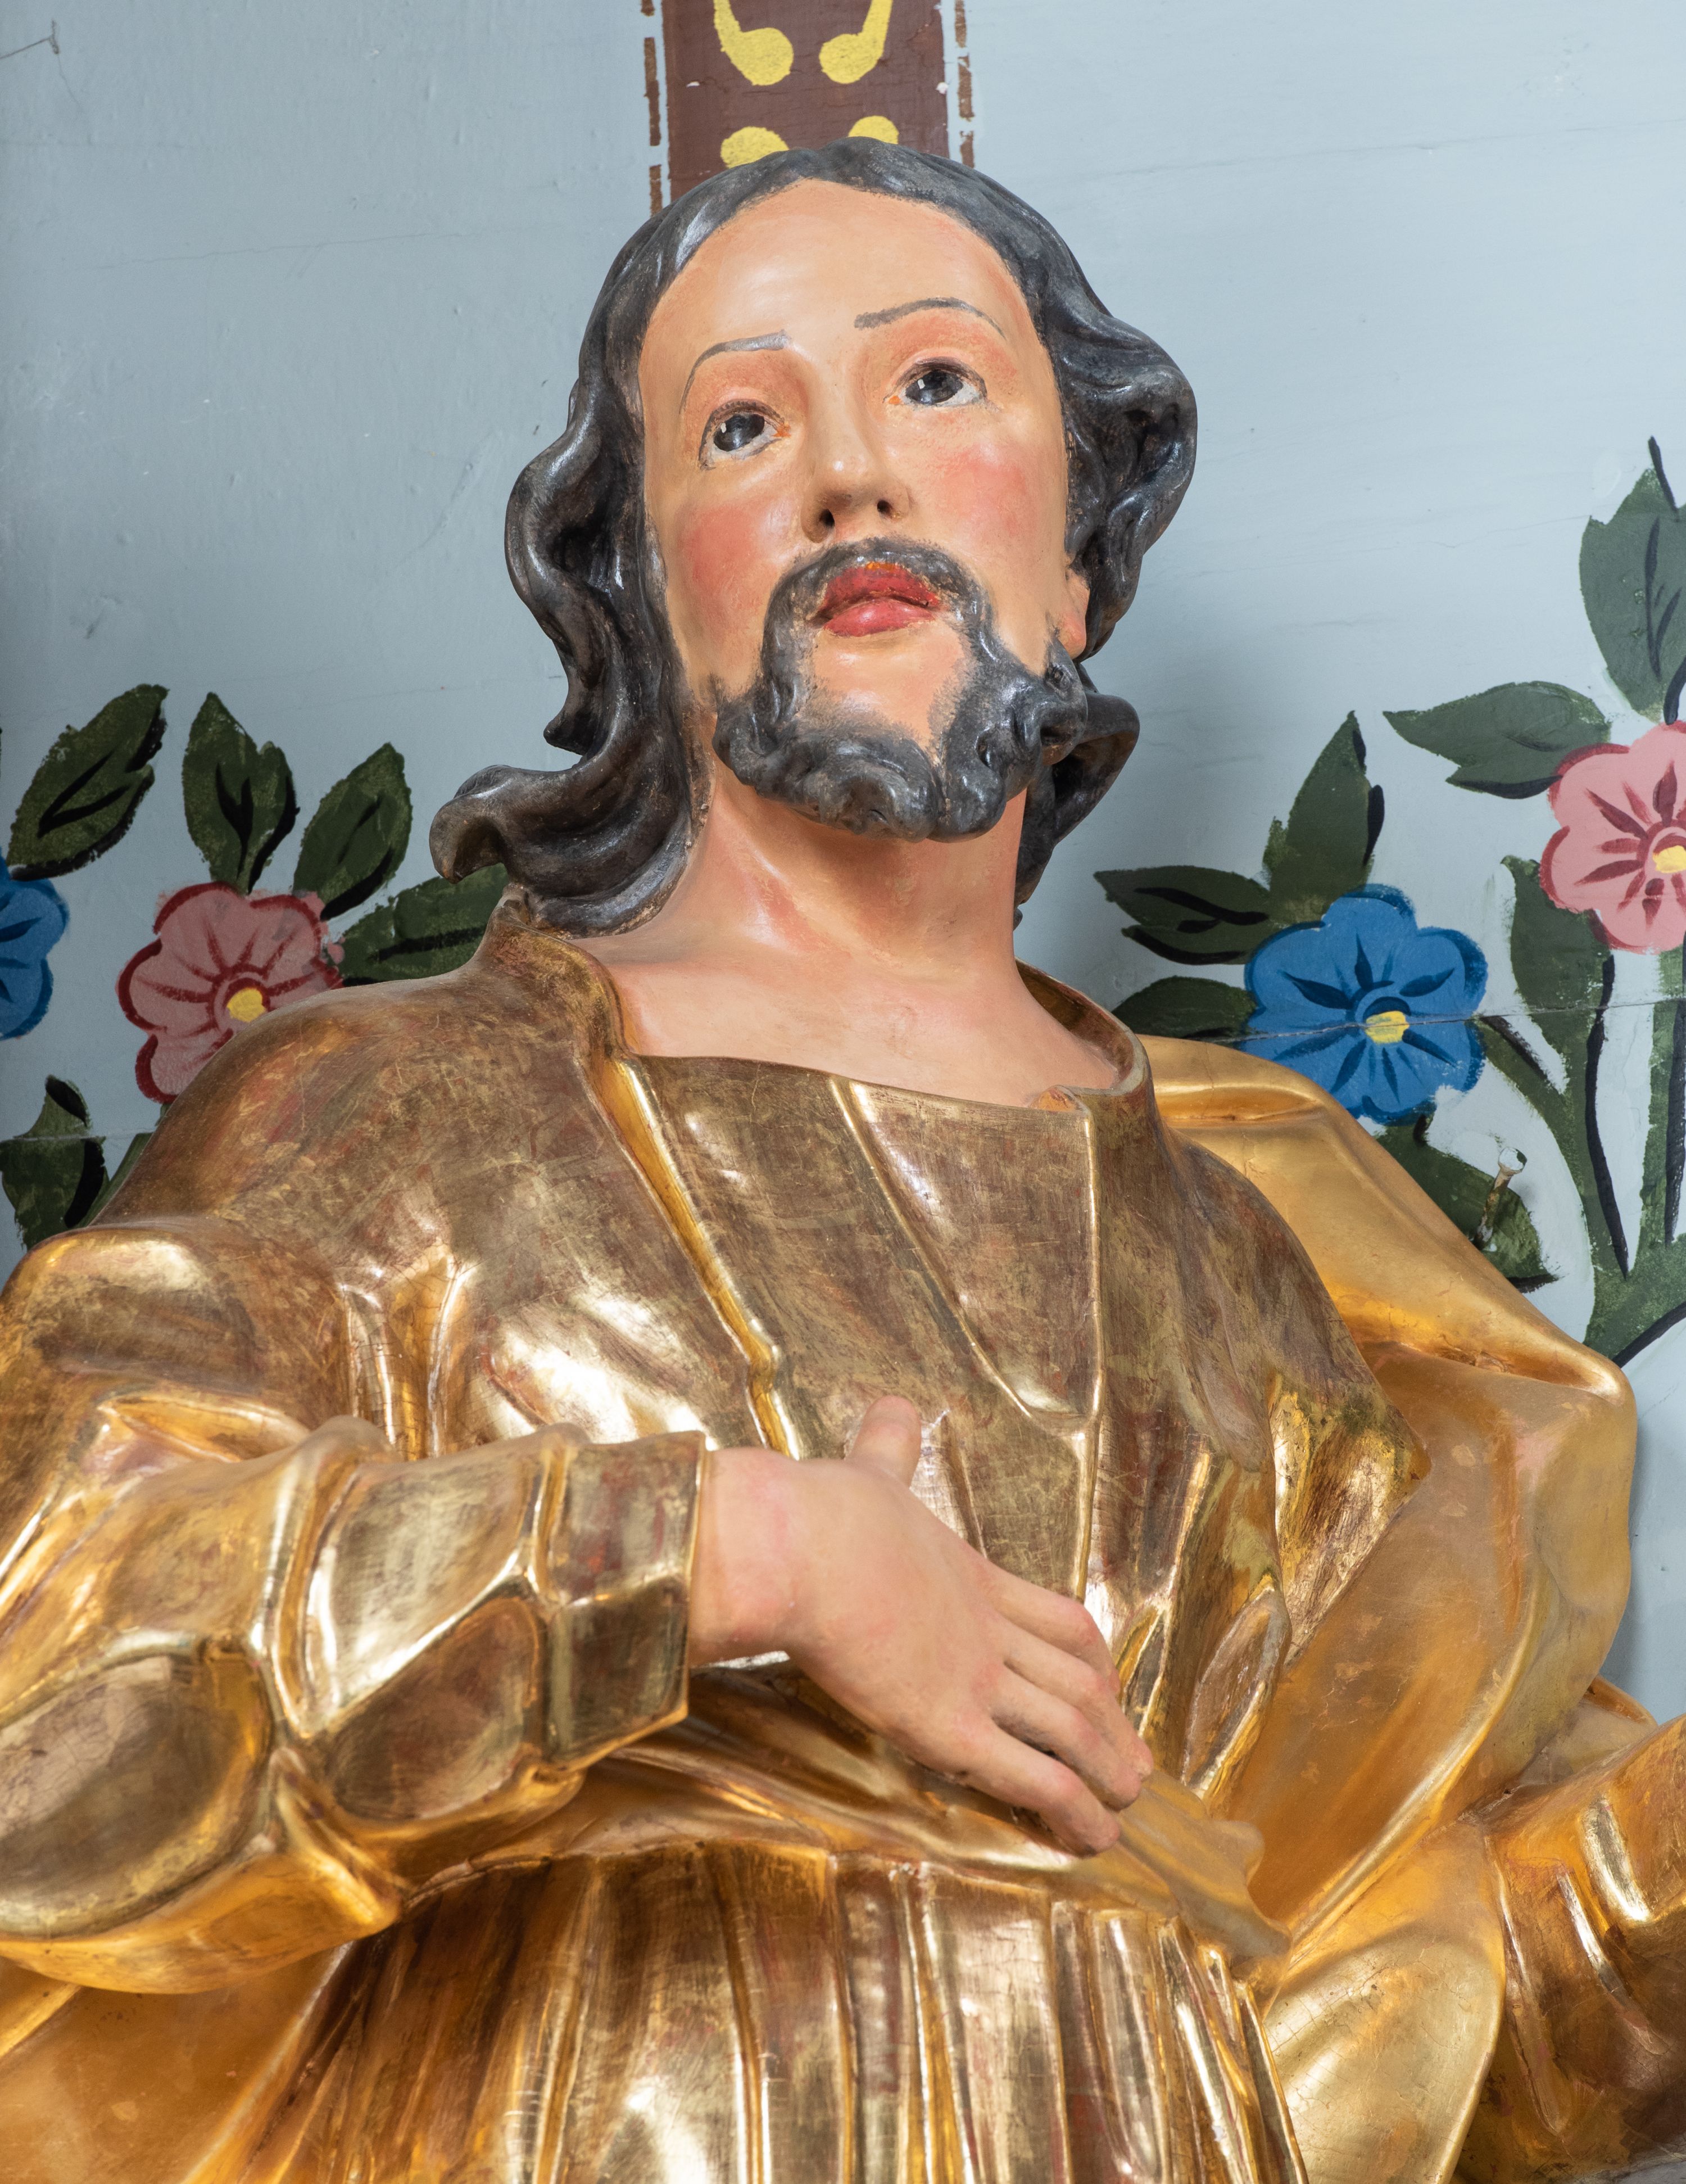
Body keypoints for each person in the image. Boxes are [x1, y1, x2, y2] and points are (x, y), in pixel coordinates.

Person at [0, 139, 1679, 2184]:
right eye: (741, 425)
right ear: (648, 600)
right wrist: (736, 1554)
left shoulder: (1258, 1255)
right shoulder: (390, 1111)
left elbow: (1424, 2008)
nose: (850, 478)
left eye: (935, 384)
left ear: (1078, 557)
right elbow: (61, 1701)